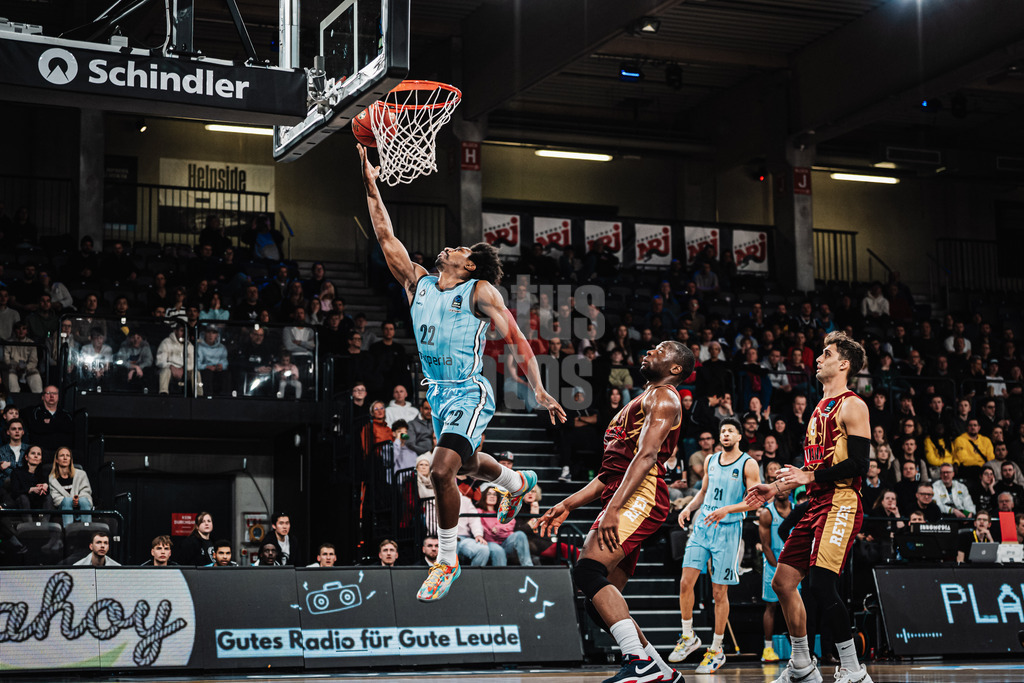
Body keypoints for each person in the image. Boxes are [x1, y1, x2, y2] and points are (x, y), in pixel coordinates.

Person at [359, 144, 565, 601]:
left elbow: (516, 338)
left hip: (469, 392)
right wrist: (371, 182)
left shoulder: (480, 289)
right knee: (468, 465)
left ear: (468, 265)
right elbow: (385, 233)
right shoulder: (418, 282)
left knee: (441, 469)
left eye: (458, 248)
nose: (448, 247)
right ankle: (517, 481)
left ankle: (447, 561)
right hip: (437, 393)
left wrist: (539, 389)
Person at [538, 341, 694, 683]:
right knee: (600, 604)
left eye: (661, 349)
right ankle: (662, 670)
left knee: (587, 572)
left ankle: (639, 662)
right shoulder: (638, 402)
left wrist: (613, 508)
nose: (651, 350)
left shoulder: (665, 397)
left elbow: (647, 457)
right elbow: (607, 475)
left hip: (641, 494)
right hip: (624, 493)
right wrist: (566, 504)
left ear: (676, 369)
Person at [745, 331, 873, 683]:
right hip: (817, 501)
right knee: (783, 582)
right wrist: (774, 486)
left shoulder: (853, 404)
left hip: (842, 500)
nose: (818, 359)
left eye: (826, 354)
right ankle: (801, 664)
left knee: (820, 584)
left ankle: (853, 668)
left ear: (844, 364)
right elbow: (808, 470)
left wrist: (809, 476)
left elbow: (860, 465)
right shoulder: (819, 406)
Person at [672, 416, 762, 673]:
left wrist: (727, 510)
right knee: (685, 581)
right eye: (723, 431)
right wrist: (688, 508)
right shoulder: (710, 460)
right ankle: (688, 636)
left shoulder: (748, 464)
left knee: (718, 593)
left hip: (728, 530)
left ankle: (717, 648)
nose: (725, 435)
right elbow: (703, 492)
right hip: (703, 526)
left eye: (730, 431)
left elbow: (754, 501)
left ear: (739, 437)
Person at [759, 461, 792, 664]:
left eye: (784, 485)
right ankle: (768, 649)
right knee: (771, 607)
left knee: (795, 606)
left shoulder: (799, 510)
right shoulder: (766, 513)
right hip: (773, 564)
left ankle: (799, 647)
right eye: (777, 485)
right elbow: (765, 546)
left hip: (795, 565)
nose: (781, 489)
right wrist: (778, 567)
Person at [478, 485, 533, 566]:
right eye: (489, 494)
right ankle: (501, 577)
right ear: (484, 496)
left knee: (520, 535)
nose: (492, 497)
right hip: (489, 543)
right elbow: (486, 532)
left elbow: (511, 524)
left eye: (494, 494)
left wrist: (498, 529)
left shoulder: (502, 511)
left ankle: (528, 567)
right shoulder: (479, 512)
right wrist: (502, 530)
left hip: (506, 542)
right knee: (498, 550)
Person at [48, 446, 93, 526]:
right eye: (62, 455)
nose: (65, 458)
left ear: (70, 459)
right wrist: (71, 500)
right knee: (67, 501)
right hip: (64, 506)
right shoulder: (52, 478)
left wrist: (78, 500)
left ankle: (87, 527)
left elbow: (86, 492)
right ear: (56, 460)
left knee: (83, 500)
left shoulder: (81, 474)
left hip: (81, 503)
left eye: (68, 456)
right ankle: (68, 529)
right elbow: (55, 498)